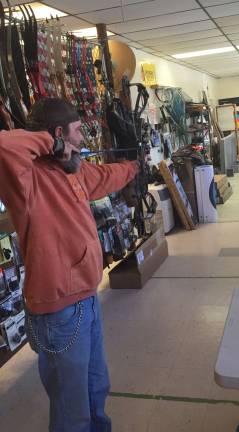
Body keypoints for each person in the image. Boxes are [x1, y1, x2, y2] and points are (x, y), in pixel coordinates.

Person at [0, 98, 140, 432]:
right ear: (59, 133)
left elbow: (102, 176)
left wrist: (134, 166)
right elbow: (5, 145)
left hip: (86, 299)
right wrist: (54, 145)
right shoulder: (28, 175)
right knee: (71, 410)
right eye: (76, 132)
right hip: (59, 311)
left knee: (95, 389)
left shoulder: (71, 168)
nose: (82, 139)